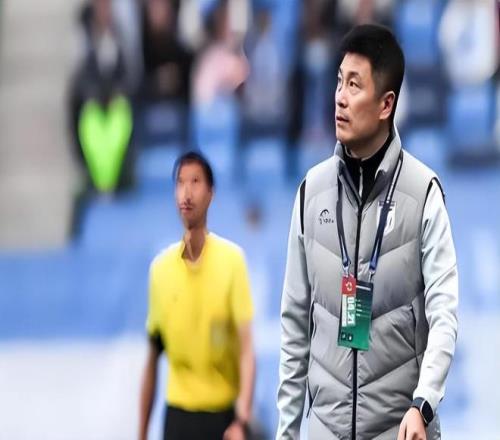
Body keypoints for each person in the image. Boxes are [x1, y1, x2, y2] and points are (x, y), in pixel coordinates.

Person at [276, 24, 458, 440]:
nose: (340, 97)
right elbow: (294, 328)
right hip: (325, 429)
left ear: (385, 104)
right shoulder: (310, 193)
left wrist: (423, 403)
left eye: (354, 85)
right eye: (339, 81)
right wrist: (286, 433)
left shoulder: (423, 193)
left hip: (400, 429)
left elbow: (444, 315)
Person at [139, 151, 256, 440]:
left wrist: (242, 419)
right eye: (180, 183)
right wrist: (141, 432)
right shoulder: (160, 270)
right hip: (178, 419)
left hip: (223, 418)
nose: (187, 192)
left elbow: (246, 350)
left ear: (210, 193)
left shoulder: (232, 261)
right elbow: (152, 359)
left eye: (195, 182)